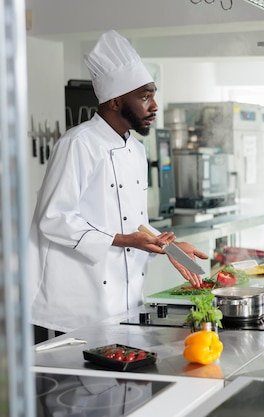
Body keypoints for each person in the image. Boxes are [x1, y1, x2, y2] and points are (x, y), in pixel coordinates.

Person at [29, 30, 208, 343]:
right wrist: (127, 239)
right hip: (71, 313)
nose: (154, 106)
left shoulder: (135, 150)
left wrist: (172, 249)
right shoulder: (78, 144)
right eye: (144, 97)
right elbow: (54, 218)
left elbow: (131, 223)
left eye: (153, 95)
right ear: (114, 101)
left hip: (122, 309)